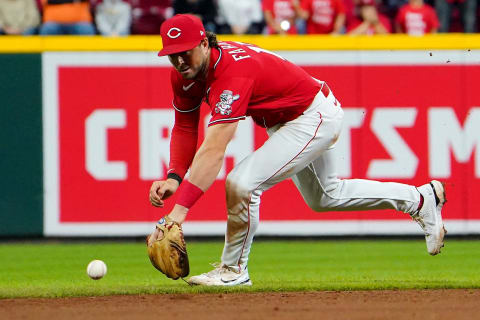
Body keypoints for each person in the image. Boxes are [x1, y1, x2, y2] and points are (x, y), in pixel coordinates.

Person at [148, 14, 447, 286]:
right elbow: (186, 128)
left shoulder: (232, 73)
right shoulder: (185, 74)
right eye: (172, 55)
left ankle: (233, 269)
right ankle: (420, 199)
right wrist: (174, 175)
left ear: (203, 42)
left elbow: (214, 148)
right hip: (293, 119)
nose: (179, 61)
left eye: (184, 51)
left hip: (311, 116)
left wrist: (177, 214)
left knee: (242, 183)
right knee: (326, 197)